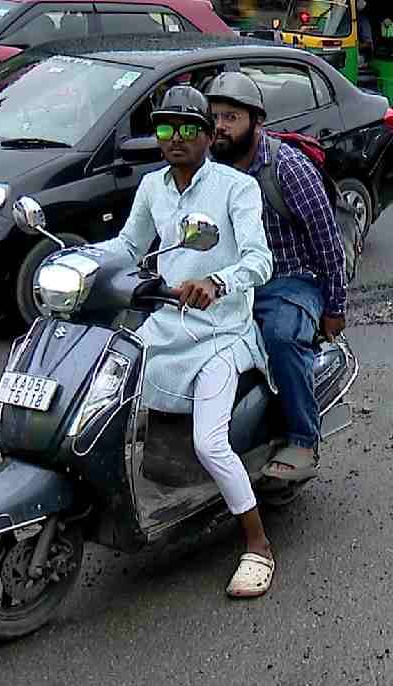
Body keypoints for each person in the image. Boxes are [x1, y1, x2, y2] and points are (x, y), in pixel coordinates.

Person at [91, 86, 278, 599]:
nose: (175, 139)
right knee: (105, 399)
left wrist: (217, 283)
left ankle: (257, 544)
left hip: (219, 332)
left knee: (208, 442)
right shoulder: (153, 186)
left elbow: (261, 260)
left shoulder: (236, 188)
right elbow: (129, 246)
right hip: (166, 323)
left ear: (208, 134)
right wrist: (75, 258)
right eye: (165, 129)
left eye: (187, 128)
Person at [204, 72, 347, 486]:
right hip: (235, 280)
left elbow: (327, 242)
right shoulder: (210, 169)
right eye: (214, 117)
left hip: (291, 279)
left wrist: (335, 307)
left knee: (282, 337)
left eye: (231, 117)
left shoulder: (287, 168)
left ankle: (303, 438)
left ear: (256, 121)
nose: (220, 127)